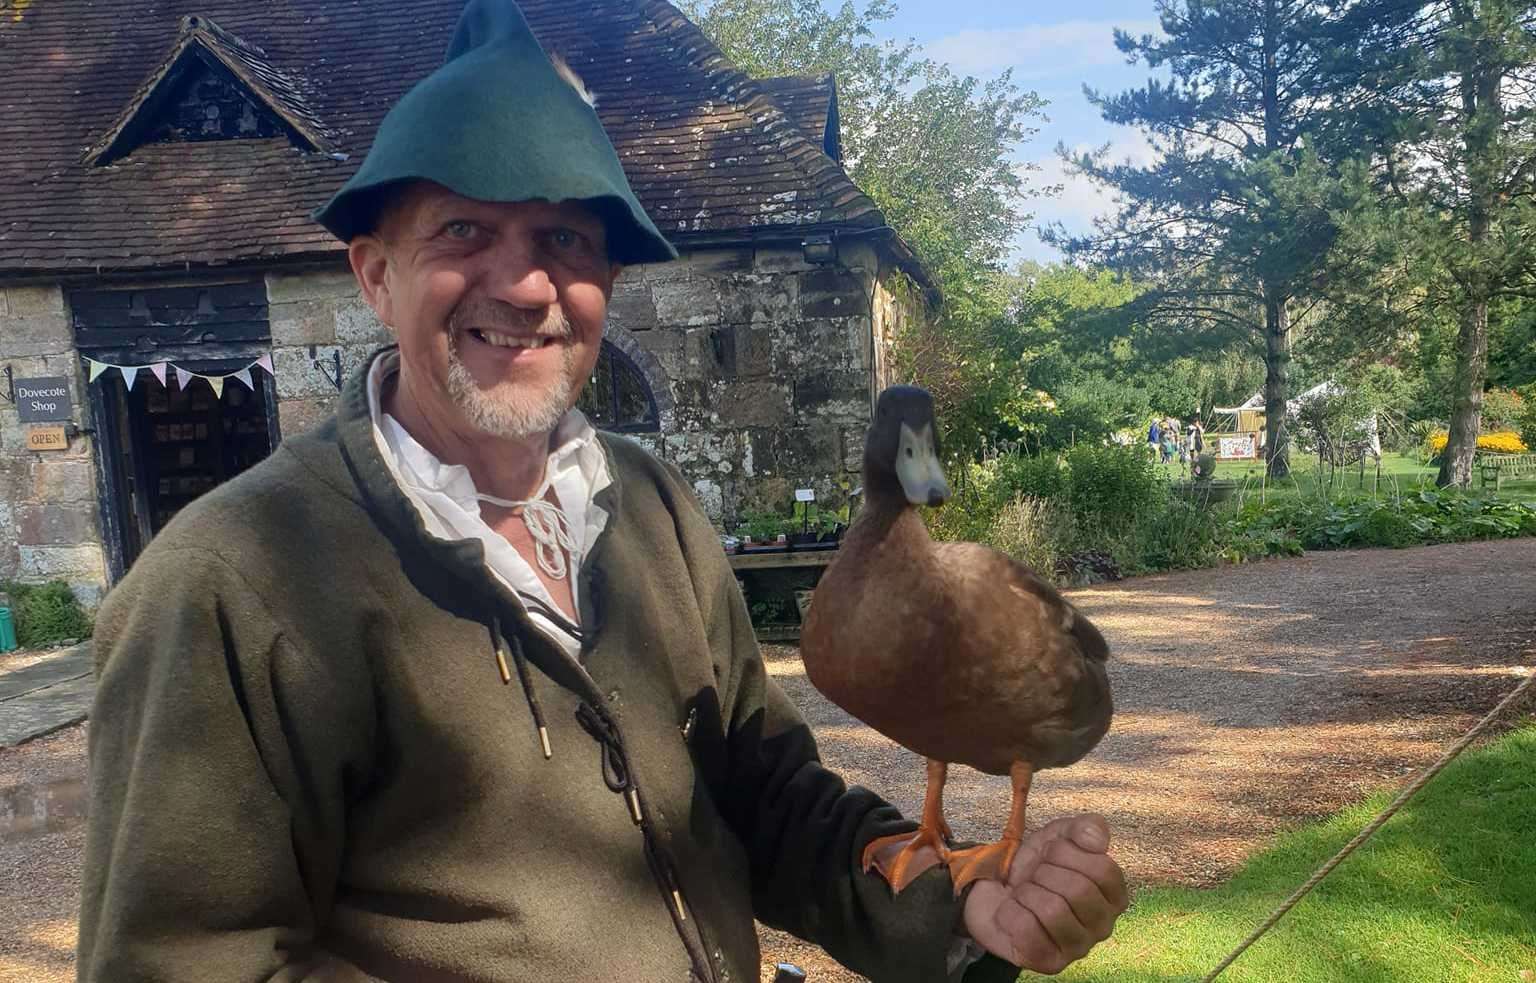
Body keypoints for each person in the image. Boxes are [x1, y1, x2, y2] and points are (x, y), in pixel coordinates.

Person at [76, 3, 1126, 981]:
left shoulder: (651, 509)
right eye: (463, 232)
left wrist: (954, 908)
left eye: (565, 240)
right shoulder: (232, 582)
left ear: (608, 282)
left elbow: (760, 791)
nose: (526, 285)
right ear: (374, 272)